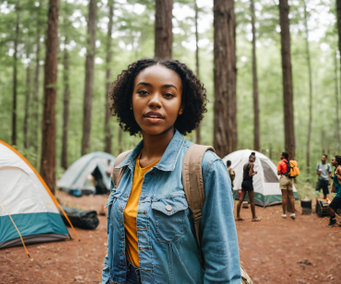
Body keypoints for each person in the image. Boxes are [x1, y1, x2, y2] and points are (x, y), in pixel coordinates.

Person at [101, 58, 241, 283]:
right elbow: (113, 248)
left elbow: (222, 263)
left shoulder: (205, 167)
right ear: (130, 100)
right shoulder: (121, 167)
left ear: (182, 106)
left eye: (168, 95)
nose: (154, 101)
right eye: (144, 92)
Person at [236, 152, 261, 222]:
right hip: (249, 183)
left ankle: (238, 216)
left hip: (244, 182)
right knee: (252, 201)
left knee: (240, 200)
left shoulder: (245, 165)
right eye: (253, 158)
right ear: (250, 158)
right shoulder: (251, 164)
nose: (254, 159)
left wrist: (245, 180)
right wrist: (254, 173)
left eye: (255, 158)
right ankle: (254, 217)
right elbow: (250, 174)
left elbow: (243, 175)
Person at [277, 152, 296, 219]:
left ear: (283, 156)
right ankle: (293, 213)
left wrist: (280, 172)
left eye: (281, 155)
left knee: (284, 196)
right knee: (291, 196)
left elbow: (278, 173)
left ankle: (284, 214)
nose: (280, 156)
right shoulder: (290, 163)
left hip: (284, 179)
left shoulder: (280, 162)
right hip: (290, 180)